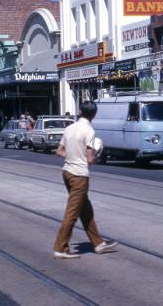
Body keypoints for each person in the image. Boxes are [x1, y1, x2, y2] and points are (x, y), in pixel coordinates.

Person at [53, 101, 117, 259]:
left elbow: (59, 151)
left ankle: (98, 243)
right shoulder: (89, 130)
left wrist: (72, 156)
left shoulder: (69, 128)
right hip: (79, 175)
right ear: (94, 115)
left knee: (85, 209)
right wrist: (97, 152)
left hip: (67, 172)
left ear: (80, 111)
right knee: (73, 212)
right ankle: (60, 248)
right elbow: (89, 159)